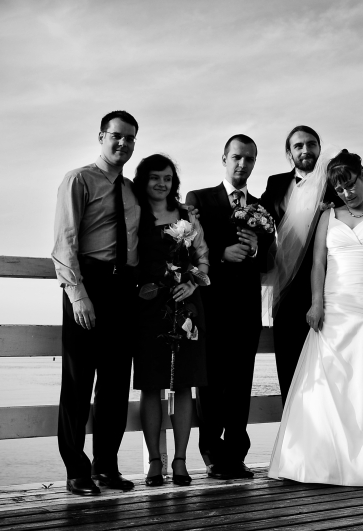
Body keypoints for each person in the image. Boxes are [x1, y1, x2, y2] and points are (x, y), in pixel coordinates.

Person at [269, 150, 363, 485]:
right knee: (328, 381)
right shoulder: (328, 216)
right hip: (334, 304)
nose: (347, 193)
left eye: (351, 184)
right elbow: (318, 263)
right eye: (340, 188)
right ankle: (321, 460)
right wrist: (316, 303)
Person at [52, 110, 140, 495]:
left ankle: (107, 466)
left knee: (116, 385)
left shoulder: (133, 190)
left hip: (125, 290)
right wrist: (78, 295)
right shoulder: (78, 180)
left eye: (130, 138)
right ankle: (77, 470)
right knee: (78, 382)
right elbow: (64, 242)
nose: (123, 143)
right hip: (90, 284)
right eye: (117, 135)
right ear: (102, 136)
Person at [185, 135, 274, 480]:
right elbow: (189, 248)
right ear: (224, 158)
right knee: (209, 385)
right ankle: (212, 455)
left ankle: (237, 455)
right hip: (211, 307)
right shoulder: (200, 199)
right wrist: (221, 254)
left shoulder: (262, 207)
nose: (242, 164)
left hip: (247, 309)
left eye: (249, 159)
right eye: (237, 157)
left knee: (240, 383)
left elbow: (268, 262)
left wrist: (255, 249)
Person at [131, 154, 210, 488]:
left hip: (185, 306)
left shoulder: (187, 216)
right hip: (149, 306)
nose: (161, 183)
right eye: (154, 177)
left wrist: (192, 283)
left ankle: (180, 461)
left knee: (183, 384)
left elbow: (203, 259)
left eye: (167, 178)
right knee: (151, 384)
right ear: (143, 180)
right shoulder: (135, 215)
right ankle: (154, 461)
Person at [260, 126, 342, 404]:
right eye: (298, 146)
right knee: (289, 361)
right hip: (286, 287)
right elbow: (256, 219)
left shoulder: (334, 180)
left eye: (311, 144)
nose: (305, 150)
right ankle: (291, 423)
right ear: (289, 153)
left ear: (319, 148)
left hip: (329, 285)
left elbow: (359, 204)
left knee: (330, 365)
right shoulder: (275, 183)